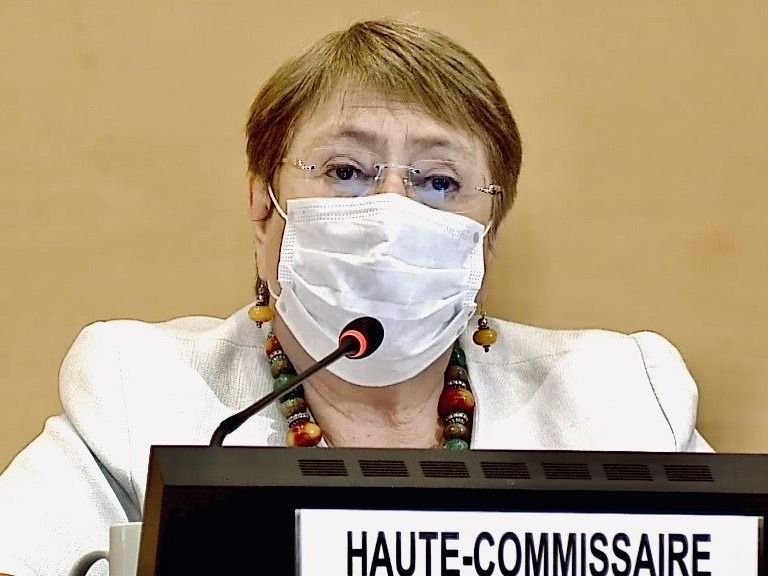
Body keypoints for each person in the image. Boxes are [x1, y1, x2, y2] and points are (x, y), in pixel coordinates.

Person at [0, 19, 710, 576]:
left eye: (438, 182)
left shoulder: (621, 403)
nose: (391, 213)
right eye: (346, 170)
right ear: (260, 206)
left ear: (487, 236)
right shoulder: (141, 394)